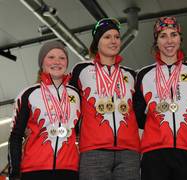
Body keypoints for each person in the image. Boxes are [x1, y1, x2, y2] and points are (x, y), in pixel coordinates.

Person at [134, 16, 187, 180]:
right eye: (163, 35)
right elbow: (138, 117)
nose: (169, 40)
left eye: (173, 34)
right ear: (156, 41)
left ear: (180, 38)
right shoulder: (143, 75)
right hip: (154, 155)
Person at [69, 18, 140, 180]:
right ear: (97, 42)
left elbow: (139, 110)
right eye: (107, 37)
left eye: (116, 37)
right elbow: (68, 105)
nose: (113, 41)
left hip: (129, 152)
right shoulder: (81, 70)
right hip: (93, 150)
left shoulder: (131, 75)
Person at [8, 40, 80, 180]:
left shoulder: (76, 95)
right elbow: (15, 136)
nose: (57, 61)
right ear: (42, 63)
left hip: (69, 170)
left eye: (62, 57)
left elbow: (81, 130)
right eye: (51, 57)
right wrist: (15, 172)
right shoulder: (28, 94)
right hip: (34, 170)